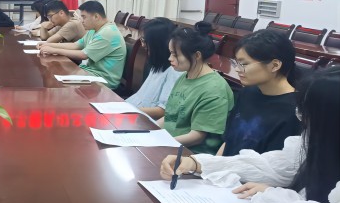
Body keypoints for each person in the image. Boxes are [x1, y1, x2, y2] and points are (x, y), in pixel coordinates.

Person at [160, 67, 340, 203]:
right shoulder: (320, 137)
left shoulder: (325, 134)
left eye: (307, 113)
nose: (300, 116)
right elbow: (275, 166)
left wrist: (271, 195)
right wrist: (197, 163)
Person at [219, 30, 301, 156]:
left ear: (274, 65)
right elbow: (229, 141)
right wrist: (212, 164)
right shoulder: (247, 92)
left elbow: (274, 164)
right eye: (236, 63)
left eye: (243, 64)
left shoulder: (295, 112)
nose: (237, 69)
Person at [159, 21, 234, 154]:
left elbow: (197, 137)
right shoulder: (185, 76)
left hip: (192, 153)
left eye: (175, 54)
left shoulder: (214, 89)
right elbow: (170, 117)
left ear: (197, 55)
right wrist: (149, 132)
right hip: (170, 143)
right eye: (170, 53)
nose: (170, 58)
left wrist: (159, 143)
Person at [39, 1, 126, 89]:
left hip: (103, 79)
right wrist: (48, 45)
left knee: (60, 84)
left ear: (96, 16)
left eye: (84, 17)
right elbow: (76, 45)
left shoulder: (107, 33)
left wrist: (54, 50)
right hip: (90, 73)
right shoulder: (94, 30)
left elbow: (83, 55)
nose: (81, 21)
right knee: (58, 77)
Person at [125, 18, 181, 119]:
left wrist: (129, 110)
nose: (143, 45)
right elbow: (141, 97)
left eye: (145, 41)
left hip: (147, 120)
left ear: (157, 44)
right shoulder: (158, 62)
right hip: (136, 111)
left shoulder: (174, 71)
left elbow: (163, 111)